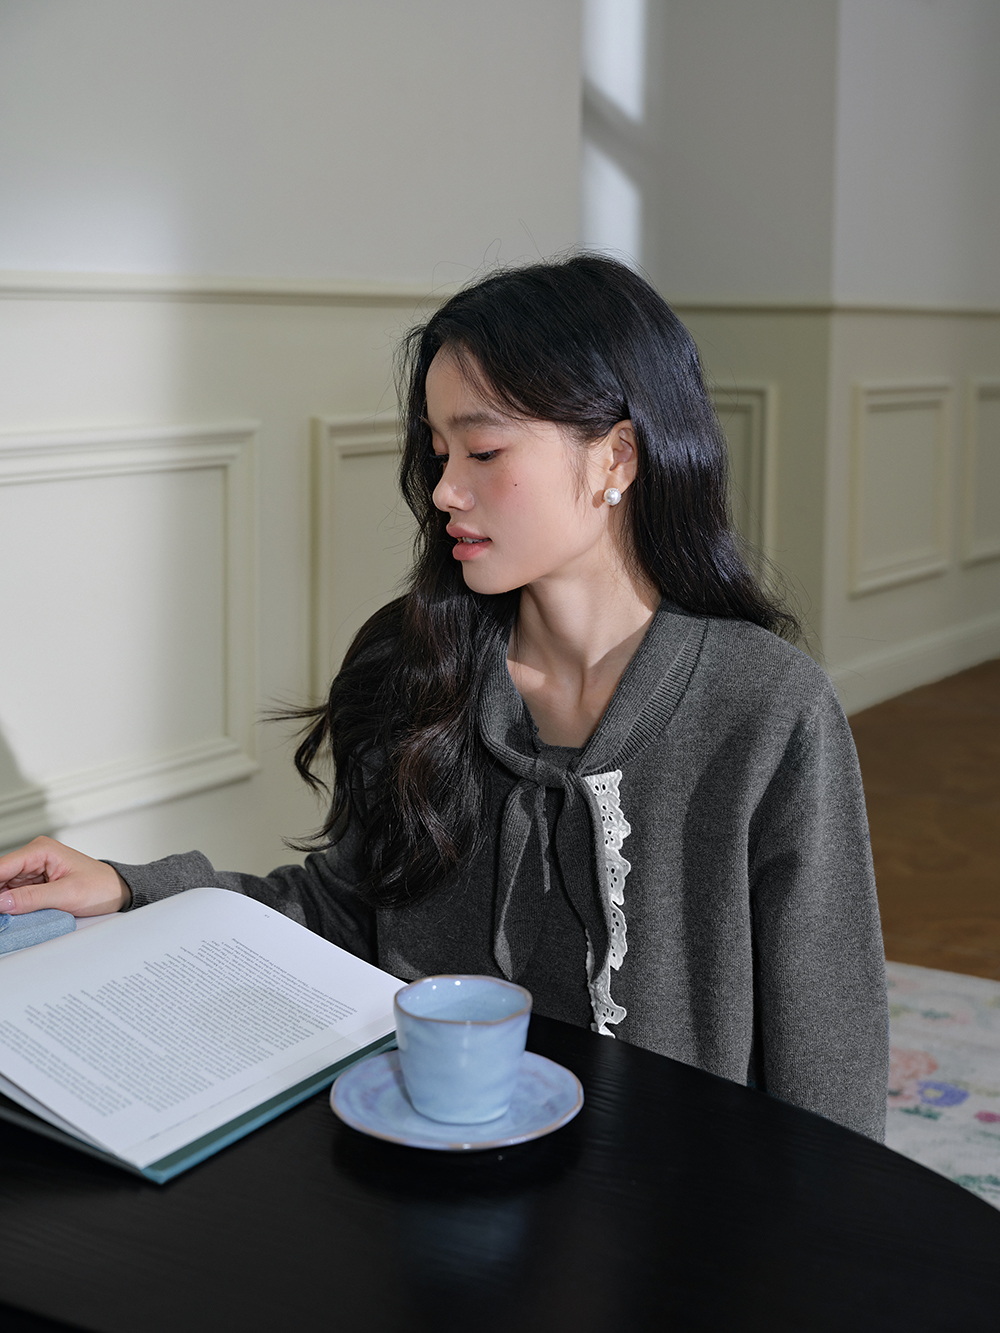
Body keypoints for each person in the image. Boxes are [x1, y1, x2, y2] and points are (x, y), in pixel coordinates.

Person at [0, 255, 888, 1139]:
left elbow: (829, 1057)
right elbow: (342, 913)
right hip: (428, 1170)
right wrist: (129, 887)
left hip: (676, 1204)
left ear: (616, 455)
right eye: (437, 452)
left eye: (484, 451)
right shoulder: (412, 664)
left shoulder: (768, 710)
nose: (444, 490)